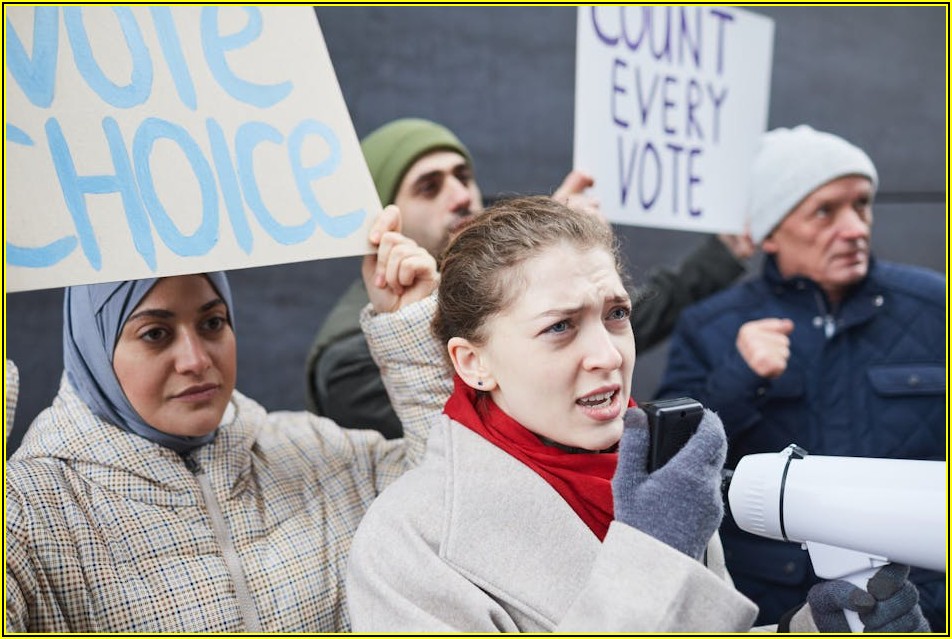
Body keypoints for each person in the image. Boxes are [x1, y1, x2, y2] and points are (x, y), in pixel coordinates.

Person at [344, 196, 929, 632]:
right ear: (473, 363)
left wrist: (810, 629)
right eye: (560, 326)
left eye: (616, 314)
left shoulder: (649, 476)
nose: (608, 355)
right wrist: (657, 554)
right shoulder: (408, 542)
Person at [4, 208, 442, 633]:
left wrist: (411, 332)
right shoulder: (27, 511)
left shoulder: (317, 451)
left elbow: (448, 508)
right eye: (155, 334)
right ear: (94, 350)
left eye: (212, 323)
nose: (195, 360)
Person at [655, 125, 945, 630]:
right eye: (824, 211)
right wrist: (740, 379)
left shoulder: (935, 306)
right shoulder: (710, 325)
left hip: (922, 605)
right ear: (770, 232)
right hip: (780, 610)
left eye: (862, 204)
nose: (854, 228)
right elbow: (670, 466)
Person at [305, 117, 754, 438]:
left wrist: (556, 251)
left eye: (464, 176)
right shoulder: (348, 361)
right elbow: (452, 442)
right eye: (430, 187)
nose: (462, 196)